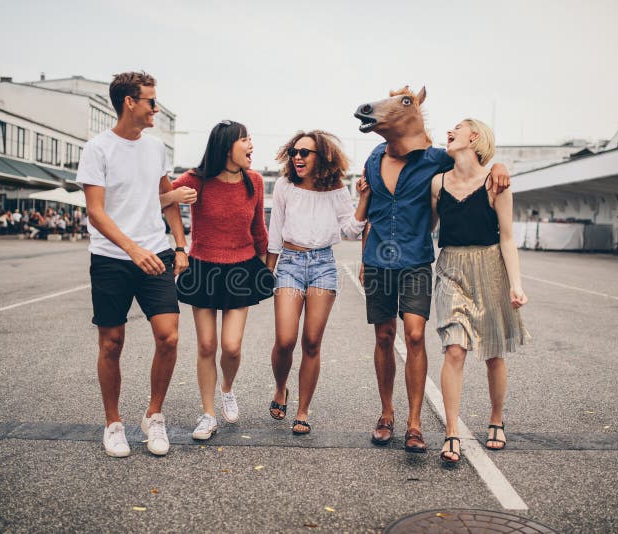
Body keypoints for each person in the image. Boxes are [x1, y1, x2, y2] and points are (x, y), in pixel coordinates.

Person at [355, 87, 511, 453]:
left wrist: (499, 165)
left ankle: (414, 422)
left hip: (416, 260)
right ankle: (386, 413)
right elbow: (368, 217)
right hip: (378, 259)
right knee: (382, 336)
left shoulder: (435, 159)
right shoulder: (374, 157)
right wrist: (363, 258)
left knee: (413, 335)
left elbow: (472, 165)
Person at [77, 71, 188, 458]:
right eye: (152, 101)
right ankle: (113, 423)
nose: (156, 107)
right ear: (130, 102)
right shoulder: (97, 149)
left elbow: (167, 196)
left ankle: (153, 416)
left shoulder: (156, 148)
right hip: (111, 258)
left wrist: (179, 245)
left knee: (169, 337)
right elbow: (96, 212)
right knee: (111, 343)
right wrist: (131, 249)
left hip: (155, 252)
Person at [162, 120, 273, 441]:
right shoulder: (197, 180)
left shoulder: (254, 180)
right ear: (227, 147)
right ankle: (208, 414)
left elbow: (259, 230)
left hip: (242, 269)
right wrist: (179, 242)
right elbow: (162, 197)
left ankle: (227, 388)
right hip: (204, 269)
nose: (252, 146)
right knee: (207, 345)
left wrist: (269, 266)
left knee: (232, 347)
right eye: (246, 140)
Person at [430, 119, 529, 465]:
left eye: (456, 127)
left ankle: (496, 419)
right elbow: (426, 226)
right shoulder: (438, 183)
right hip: (451, 268)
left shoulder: (495, 183)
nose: (448, 132)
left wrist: (516, 284)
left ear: (474, 136)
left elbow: (507, 237)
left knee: (493, 352)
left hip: (490, 269)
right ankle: (452, 432)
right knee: (454, 349)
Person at [265, 131, 370, 434]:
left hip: (323, 265)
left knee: (311, 341)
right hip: (290, 264)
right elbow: (275, 233)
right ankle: (281, 387)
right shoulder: (285, 186)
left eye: (305, 153)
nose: (297, 157)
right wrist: (267, 270)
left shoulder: (337, 190)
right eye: (294, 152)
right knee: (285, 340)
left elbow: (350, 231)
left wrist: (363, 199)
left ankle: (302, 409)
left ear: (321, 157)